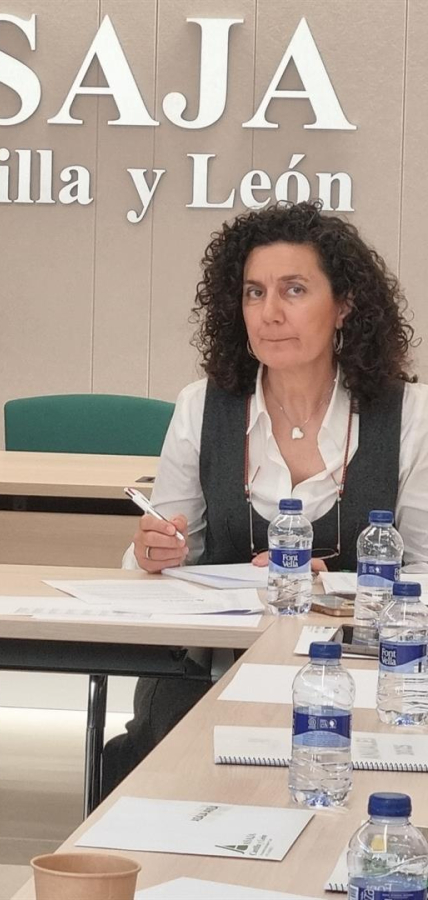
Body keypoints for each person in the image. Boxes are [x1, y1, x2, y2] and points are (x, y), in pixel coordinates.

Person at [100, 201, 428, 795]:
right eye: (255, 293)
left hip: (363, 677)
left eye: (294, 290)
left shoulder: (411, 415)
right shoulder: (202, 406)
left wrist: (339, 587)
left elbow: (424, 576)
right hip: (211, 674)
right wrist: (150, 554)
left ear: (345, 304)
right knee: (170, 770)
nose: (270, 313)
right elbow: (165, 555)